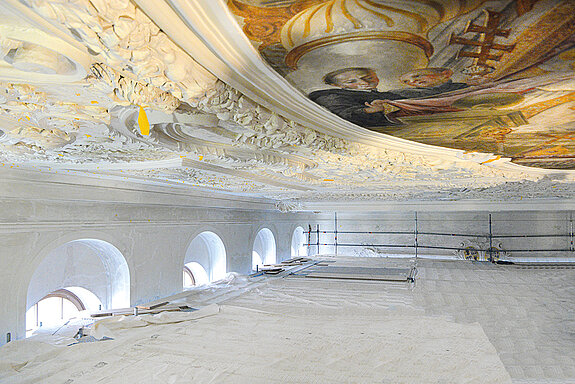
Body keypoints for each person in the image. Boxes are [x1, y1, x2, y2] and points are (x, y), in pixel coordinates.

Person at [309, 67, 469, 127]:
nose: (364, 82)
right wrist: (368, 111)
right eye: (352, 81)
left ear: (375, 76)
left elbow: (425, 95)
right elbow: (343, 114)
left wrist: (465, 86)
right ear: (339, 85)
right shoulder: (331, 95)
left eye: (367, 77)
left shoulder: (387, 93)